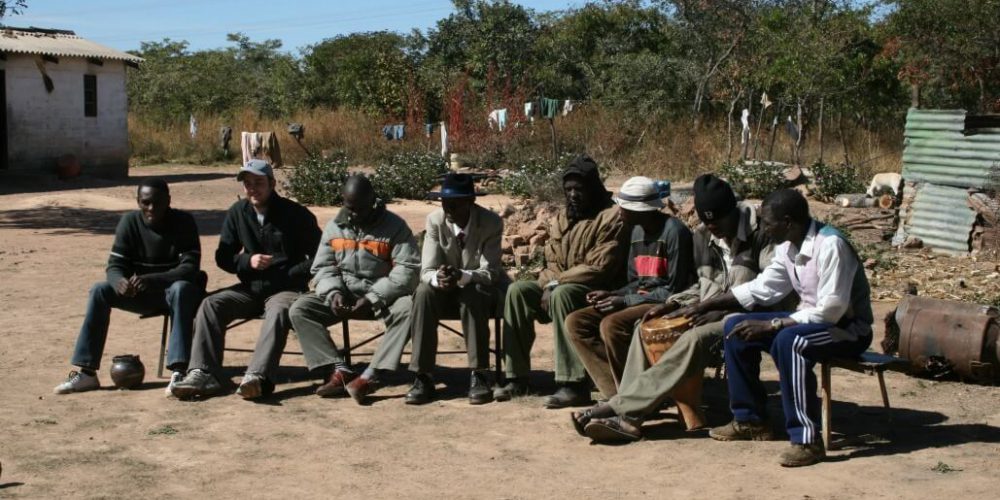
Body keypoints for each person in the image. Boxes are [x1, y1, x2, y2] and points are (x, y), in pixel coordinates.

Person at [572, 174, 783, 443]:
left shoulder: (762, 236)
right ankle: (629, 418)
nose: (711, 226)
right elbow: (700, 287)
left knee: (694, 338)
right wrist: (673, 303)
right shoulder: (704, 236)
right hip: (710, 309)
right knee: (644, 326)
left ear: (732, 211)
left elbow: (771, 289)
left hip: (754, 315)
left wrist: (719, 305)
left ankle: (622, 409)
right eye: (706, 220)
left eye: (717, 219)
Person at [670, 188, 873, 467]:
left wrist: (774, 323)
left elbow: (831, 311)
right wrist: (706, 305)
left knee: (790, 342)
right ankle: (750, 420)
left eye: (767, 222)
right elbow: (765, 287)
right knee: (735, 327)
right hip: (809, 320)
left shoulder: (830, 246)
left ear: (788, 222)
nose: (763, 228)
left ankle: (806, 440)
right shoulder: (787, 247)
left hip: (848, 329)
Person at [171, 160, 321, 400]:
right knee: (211, 305)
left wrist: (288, 273)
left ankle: (257, 377)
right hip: (250, 289)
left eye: (259, 183)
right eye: (247, 184)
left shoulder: (296, 214)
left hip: (285, 289)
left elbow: (318, 257)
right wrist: (247, 261)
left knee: (278, 311)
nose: (252, 189)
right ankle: (203, 372)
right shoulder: (237, 213)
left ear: (272, 183)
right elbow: (223, 257)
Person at [496, 154, 628, 408]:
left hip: (596, 290)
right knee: (518, 291)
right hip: (557, 285)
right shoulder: (563, 218)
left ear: (593, 187)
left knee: (563, 294)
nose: (573, 195)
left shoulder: (611, 217)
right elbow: (551, 261)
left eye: (579, 189)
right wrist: (548, 283)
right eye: (568, 189)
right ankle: (517, 376)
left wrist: (555, 284)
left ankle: (574, 383)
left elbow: (599, 267)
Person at [54, 178, 202, 395]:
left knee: (180, 288)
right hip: (141, 294)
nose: (152, 208)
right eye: (146, 203)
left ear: (168, 200)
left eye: (158, 202)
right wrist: (119, 282)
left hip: (175, 295)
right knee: (99, 290)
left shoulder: (184, 222)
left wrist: (152, 279)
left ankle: (179, 371)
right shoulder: (129, 222)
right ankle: (87, 372)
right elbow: (115, 266)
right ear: (138, 202)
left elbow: (190, 268)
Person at [288, 175, 419, 405]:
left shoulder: (395, 227)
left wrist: (372, 298)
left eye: (360, 209)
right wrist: (333, 293)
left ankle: (371, 376)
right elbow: (322, 267)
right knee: (300, 309)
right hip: (344, 295)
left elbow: (407, 271)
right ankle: (339, 370)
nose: (354, 214)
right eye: (349, 208)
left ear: (373, 202)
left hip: (382, 297)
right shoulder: (335, 226)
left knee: (408, 309)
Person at [564, 176, 694, 399]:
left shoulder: (674, 232)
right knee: (577, 322)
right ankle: (618, 395)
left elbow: (674, 289)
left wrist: (624, 301)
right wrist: (614, 294)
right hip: (639, 299)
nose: (619, 212)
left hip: (664, 302)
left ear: (642, 210)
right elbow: (636, 282)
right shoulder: (636, 232)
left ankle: (637, 396)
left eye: (625, 208)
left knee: (611, 324)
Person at [405, 173, 505, 405]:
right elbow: (427, 269)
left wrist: (463, 276)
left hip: (478, 289)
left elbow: (490, 273)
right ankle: (423, 375)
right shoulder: (435, 221)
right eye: (444, 201)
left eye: (455, 202)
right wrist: (437, 278)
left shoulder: (490, 222)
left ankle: (479, 373)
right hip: (445, 290)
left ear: (470, 201)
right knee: (422, 293)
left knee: (473, 294)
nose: (448, 207)